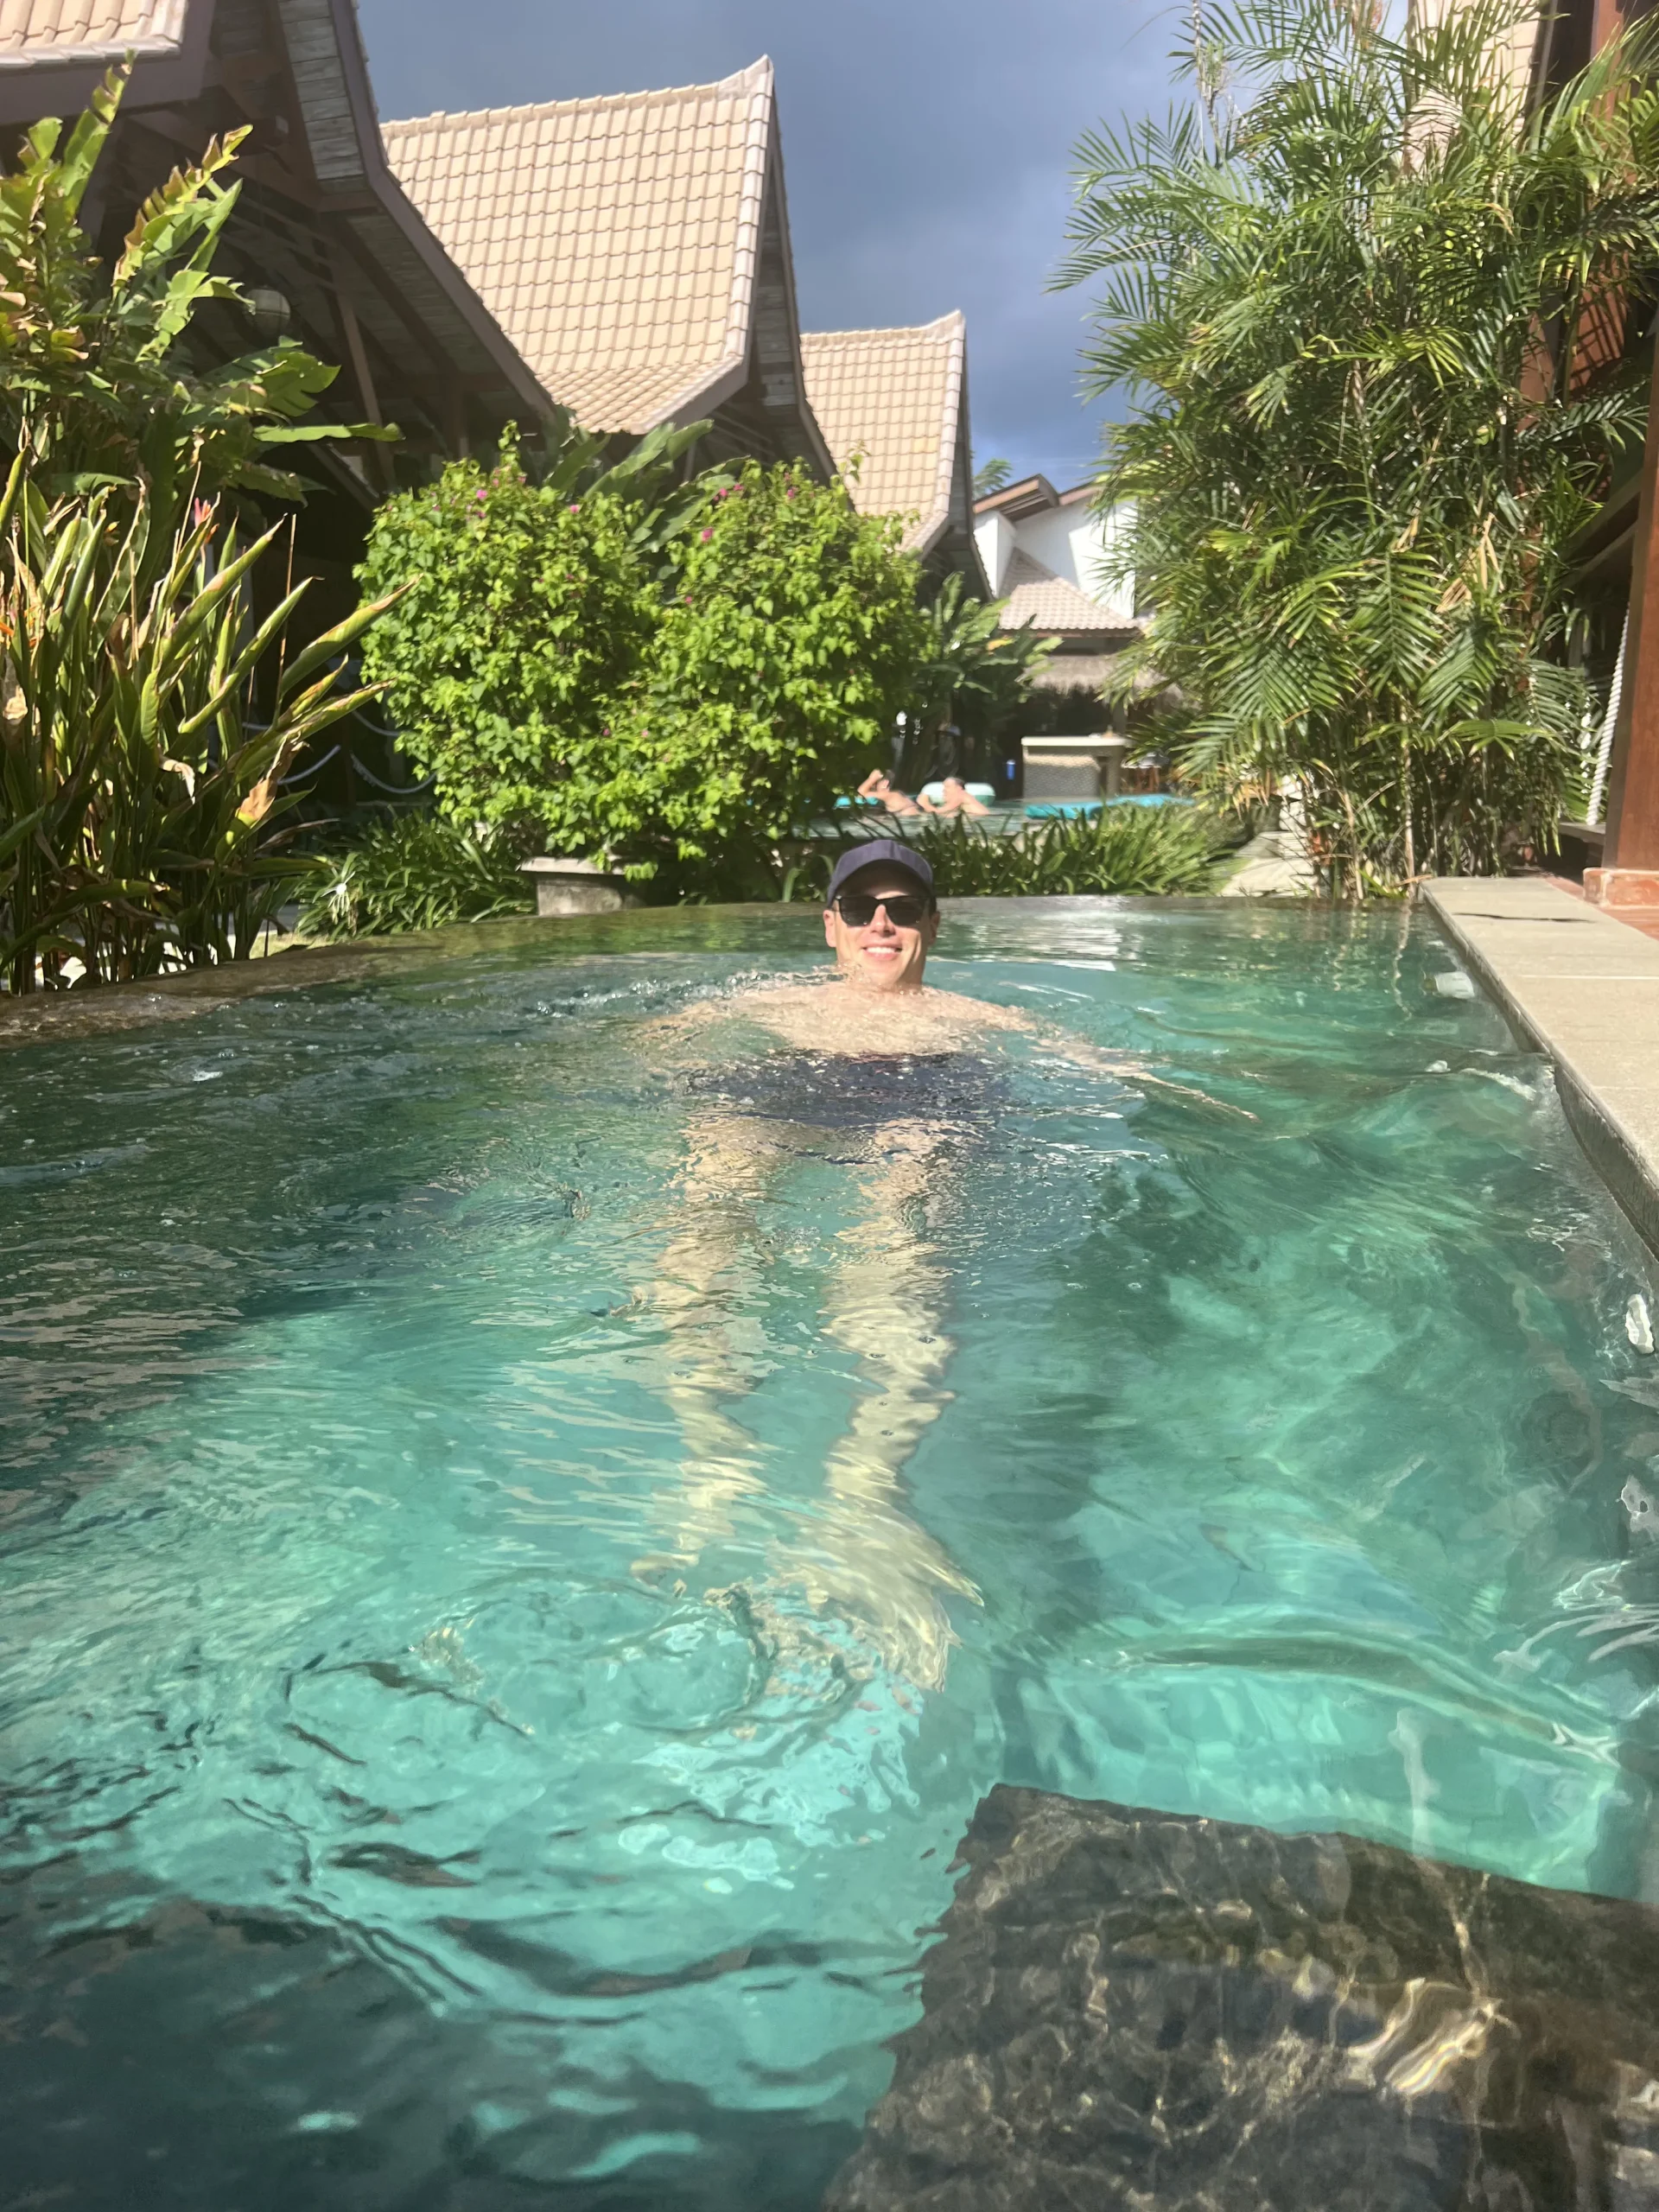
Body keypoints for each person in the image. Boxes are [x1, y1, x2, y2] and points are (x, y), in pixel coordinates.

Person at [637, 842, 1248, 1685]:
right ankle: (713, 1457)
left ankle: (863, 1489)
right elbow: (647, 1043)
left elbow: (1112, 1068)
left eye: (902, 907)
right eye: (861, 908)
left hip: (921, 1096)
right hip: (788, 1081)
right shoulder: (771, 1003)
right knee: (712, 1190)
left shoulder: (976, 1021)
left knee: (900, 1206)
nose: (881, 922)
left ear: (933, 924)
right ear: (831, 927)